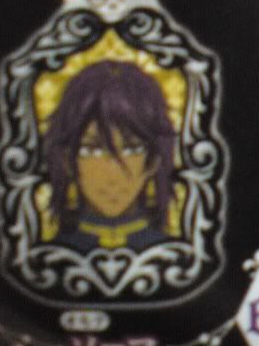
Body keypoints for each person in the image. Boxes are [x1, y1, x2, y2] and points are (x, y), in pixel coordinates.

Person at [41, 60, 177, 251]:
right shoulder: (47, 256)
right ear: (66, 159)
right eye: (91, 150)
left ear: (155, 159)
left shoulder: (176, 254)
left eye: (132, 149)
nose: (112, 174)